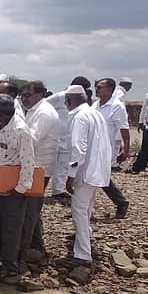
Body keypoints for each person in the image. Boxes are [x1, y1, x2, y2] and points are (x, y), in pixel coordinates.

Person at [0, 94, 35, 283]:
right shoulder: (1, 127)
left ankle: (11, 268)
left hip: (13, 190)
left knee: (12, 229)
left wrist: (21, 188)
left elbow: (28, 162)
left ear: (0, 113)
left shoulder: (20, 130)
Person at [64, 85, 113, 265]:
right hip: (97, 170)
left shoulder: (80, 117)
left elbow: (79, 148)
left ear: (69, 101)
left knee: (79, 210)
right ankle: (85, 237)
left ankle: (83, 253)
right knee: (86, 209)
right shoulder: (95, 113)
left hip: (85, 172)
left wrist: (71, 175)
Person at [18, 81, 59, 256]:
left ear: (40, 94)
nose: (24, 99)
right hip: (33, 164)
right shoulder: (33, 110)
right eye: (22, 95)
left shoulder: (44, 113)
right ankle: (36, 244)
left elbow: (32, 140)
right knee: (32, 208)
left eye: (27, 95)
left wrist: (15, 131)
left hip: (38, 167)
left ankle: (23, 250)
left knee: (29, 210)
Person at [46, 76, 90, 198]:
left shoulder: (81, 102)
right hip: (55, 135)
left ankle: (58, 190)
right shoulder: (60, 96)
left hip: (68, 136)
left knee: (64, 165)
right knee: (48, 164)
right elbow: (44, 105)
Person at [93, 78, 131, 218]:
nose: (97, 89)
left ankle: (121, 202)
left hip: (105, 149)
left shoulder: (116, 106)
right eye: (96, 86)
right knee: (94, 177)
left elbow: (124, 128)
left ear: (110, 90)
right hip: (92, 147)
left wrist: (126, 148)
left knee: (99, 177)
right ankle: (81, 209)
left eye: (100, 87)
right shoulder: (95, 105)